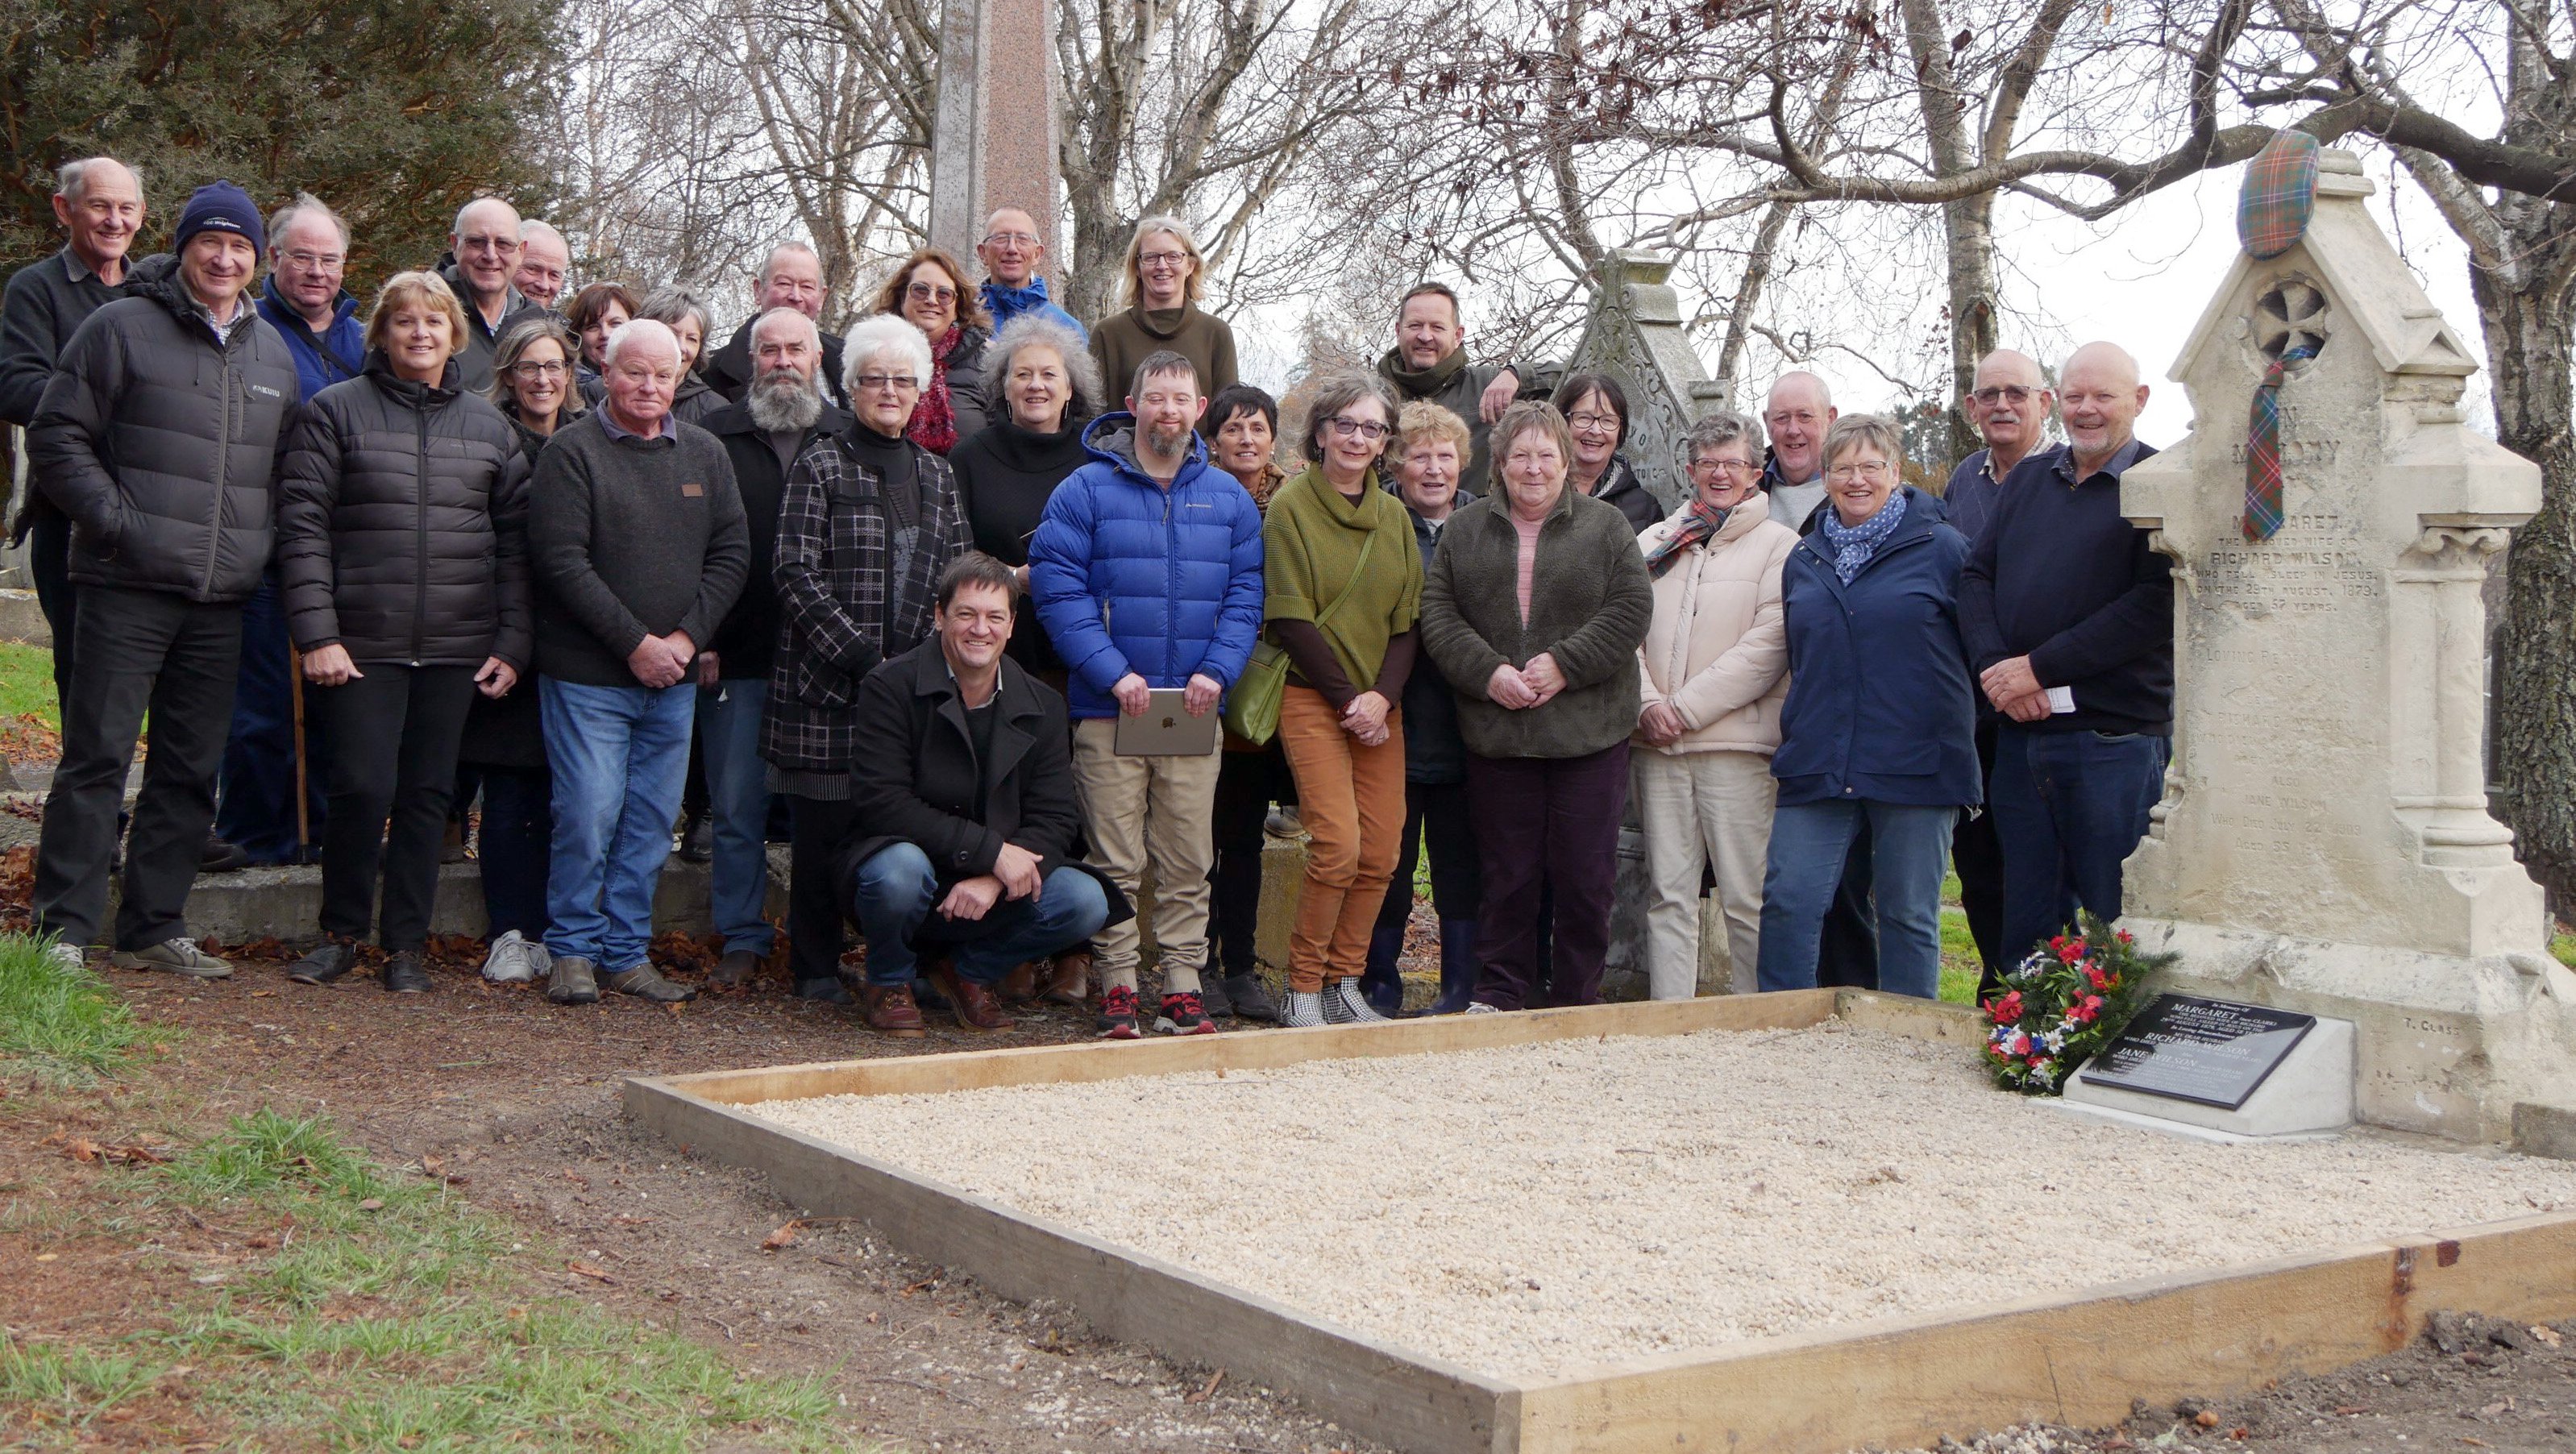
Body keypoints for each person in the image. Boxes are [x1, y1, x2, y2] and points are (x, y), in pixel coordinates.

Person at [24, 181, 299, 977]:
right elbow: (56, 432)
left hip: (220, 598)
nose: (223, 257)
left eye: (240, 246)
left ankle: (151, 925)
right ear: (183, 248)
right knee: (98, 757)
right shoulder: (121, 328)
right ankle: (64, 932)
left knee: (188, 765)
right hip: (124, 584)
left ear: (258, 258)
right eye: (209, 242)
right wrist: (116, 522)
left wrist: (259, 545)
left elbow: (283, 475)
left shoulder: (271, 353)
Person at [274, 272, 530, 992]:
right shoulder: (334, 413)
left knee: (428, 795)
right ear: (381, 333)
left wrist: (512, 643)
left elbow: (515, 548)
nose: (420, 334)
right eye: (405, 322)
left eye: (435, 322)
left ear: (455, 335)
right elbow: (302, 530)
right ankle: (341, 934)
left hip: (457, 645)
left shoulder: (489, 429)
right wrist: (317, 633)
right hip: (360, 642)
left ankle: (406, 946)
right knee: (360, 786)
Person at [1029, 350, 1263, 1039]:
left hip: (1192, 709)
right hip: (1111, 706)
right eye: (1155, 398)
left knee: (1189, 856)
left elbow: (1247, 595)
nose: (1168, 410)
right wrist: (1109, 670)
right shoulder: (1084, 490)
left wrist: (1217, 671)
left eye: (1181, 399)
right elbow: (1056, 587)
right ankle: (1120, 984)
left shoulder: (1227, 500)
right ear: (1132, 406)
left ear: (1199, 410)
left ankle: (1184, 986)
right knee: (1115, 857)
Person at [527, 318, 747, 1005]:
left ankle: (625, 952)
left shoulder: (706, 454)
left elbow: (732, 553)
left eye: (663, 373)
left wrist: (683, 640)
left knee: (651, 821)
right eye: (634, 372)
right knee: (590, 813)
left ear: (680, 376)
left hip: (674, 680)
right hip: (589, 676)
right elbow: (562, 562)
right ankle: (571, 950)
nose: (650, 385)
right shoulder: (571, 453)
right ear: (607, 372)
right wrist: (636, 644)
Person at [765, 315, 972, 1027]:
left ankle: (898, 968)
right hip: (828, 688)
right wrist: (863, 657)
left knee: (902, 835)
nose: (889, 390)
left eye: (903, 380)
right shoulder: (820, 464)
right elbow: (794, 571)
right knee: (822, 833)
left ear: (922, 391)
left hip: (913, 694)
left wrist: (924, 668)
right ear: (850, 387)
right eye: (874, 379)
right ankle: (817, 968)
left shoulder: (939, 475)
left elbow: (960, 578)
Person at [1419, 401, 1652, 1012]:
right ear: (1499, 463)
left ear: (1566, 460)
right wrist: (1489, 671)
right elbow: (1439, 615)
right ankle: (1501, 990)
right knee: (1507, 874)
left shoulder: (1606, 527)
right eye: (1520, 454)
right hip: (1501, 735)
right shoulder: (1465, 533)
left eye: (1546, 454)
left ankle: (1577, 994)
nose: (1533, 467)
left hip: (1588, 735)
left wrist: (1563, 665)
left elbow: (1629, 611)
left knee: (1584, 877)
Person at [842, 554, 1124, 1032]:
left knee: (1085, 899)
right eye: (966, 614)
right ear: (939, 616)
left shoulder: (1043, 705)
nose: (981, 629)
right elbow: (883, 802)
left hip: (992, 893)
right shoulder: (890, 686)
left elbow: (1056, 820)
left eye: (995, 617)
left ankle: (968, 973)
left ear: (1012, 626)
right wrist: (992, 852)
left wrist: (995, 878)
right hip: (913, 869)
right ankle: (888, 980)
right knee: (897, 872)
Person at [1958, 342, 2171, 974]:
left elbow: (2155, 604)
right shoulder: (2031, 479)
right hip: (2024, 738)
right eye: (2075, 396)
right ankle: (2028, 1050)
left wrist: (2039, 668)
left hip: (2110, 741)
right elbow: (1975, 577)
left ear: (2138, 400)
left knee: (2115, 917)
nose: (2086, 410)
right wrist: (2000, 671)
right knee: (2025, 917)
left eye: (2103, 396)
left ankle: (2115, 1055)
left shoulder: (2160, 485)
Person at [1756, 414, 1979, 999]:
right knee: (1789, 901)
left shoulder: (1942, 548)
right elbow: (1801, 655)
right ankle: (1780, 1034)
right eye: (1843, 468)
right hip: (1819, 760)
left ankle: (1908, 1047)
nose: (1857, 480)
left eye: (1870, 467)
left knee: (1908, 914)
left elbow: (1979, 652)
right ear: (1825, 476)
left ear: (1896, 473)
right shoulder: (1804, 557)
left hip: (1916, 762)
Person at [696, 306, 851, 989]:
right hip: (740, 651)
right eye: (770, 350)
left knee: (832, 811)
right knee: (736, 808)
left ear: (818, 359)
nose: (784, 360)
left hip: (829, 663)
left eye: (797, 349)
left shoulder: (847, 437)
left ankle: (830, 941)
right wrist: (700, 636)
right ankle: (742, 934)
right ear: (750, 359)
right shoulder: (712, 436)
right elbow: (688, 548)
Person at [1264, 373, 1423, 1026]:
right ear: (1322, 431)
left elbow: (1408, 620)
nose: (1359, 438)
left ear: (1385, 442)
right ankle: (1302, 986)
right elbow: (1291, 616)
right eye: (1347, 425)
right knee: (1337, 846)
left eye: (1373, 428)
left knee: (1384, 852)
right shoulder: (1291, 508)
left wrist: (1381, 699)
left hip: (1381, 709)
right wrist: (1349, 699)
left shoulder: (1393, 516)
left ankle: (1344, 981)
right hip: (1313, 699)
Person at [1631, 410, 1797, 999]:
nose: (1720, 474)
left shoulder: (1780, 546)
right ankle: (1669, 1020)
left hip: (1734, 747)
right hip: (1658, 748)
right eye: (1708, 463)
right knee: (1667, 894)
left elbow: (1771, 641)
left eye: (1733, 463)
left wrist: (1686, 708)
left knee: (1745, 895)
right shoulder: (1653, 543)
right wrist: (1650, 705)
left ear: (1755, 473)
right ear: (1689, 470)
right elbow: (1621, 630)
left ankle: (1749, 1014)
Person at [222, 192, 364, 868]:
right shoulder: (252, 332)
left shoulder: (364, 341)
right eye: (301, 257)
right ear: (273, 258)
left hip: (350, 551)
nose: (316, 271)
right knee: (264, 704)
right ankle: (257, 834)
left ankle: (327, 835)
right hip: (268, 542)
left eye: (329, 259)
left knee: (338, 705)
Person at [465, 314, 588, 984]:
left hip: (574, 643)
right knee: (509, 790)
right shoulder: (488, 437)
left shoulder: (589, 438)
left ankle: (552, 928)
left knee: (563, 794)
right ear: (507, 374)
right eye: (528, 367)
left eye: (554, 367)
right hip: (507, 634)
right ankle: (508, 929)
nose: (543, 380)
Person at [3, 156, 143, 722]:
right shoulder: (36, 290)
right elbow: (16, 386)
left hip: (153, 516)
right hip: (69, 520)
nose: (114, 221)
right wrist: (125, 415)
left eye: (126, 208)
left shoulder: (156, 293)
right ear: (65, 209)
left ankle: (158, 809)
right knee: (84, 679)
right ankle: (92, 811)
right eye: (100, 206)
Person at [1942, 347, 2056, 995]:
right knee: (1980, 863)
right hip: (1977, 712)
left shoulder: (2075, 474)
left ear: (2045, 402)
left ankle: (2053, 1001)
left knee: (2042, 868)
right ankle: (1998, 988)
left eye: (2018, 393)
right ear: (1971, 408)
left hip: (2054, 708)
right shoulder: (1965, 481)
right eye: (1989, 395)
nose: (2002, 405)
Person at [1363, 401, 1482, 1016]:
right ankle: (1378, 983)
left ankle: (1461, 985)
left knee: (1463, 867)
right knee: (1390, 862)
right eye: (1418, 457)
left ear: (1463, 463)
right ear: (1397, 464)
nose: (1433, 470)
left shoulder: (1488, 525)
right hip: (1396, 724)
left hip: (1470, 731)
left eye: (1445, 457)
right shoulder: (1381, 524)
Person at [1760, 367, 1877, 990]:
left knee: (1853, 886)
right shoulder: (1747, 488)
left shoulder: (1862, 503)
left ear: (1830, 421)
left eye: (1805, 416)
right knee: (1787, 887)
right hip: (1769, 721)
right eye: (1781, 418)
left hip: (1845, 720)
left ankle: (1854, 995)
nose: (1793, 430)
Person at [1195, 382, 1290, 1023]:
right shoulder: (1194, 492)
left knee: (1245, 837)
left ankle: (1241, 966)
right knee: (1195, 836)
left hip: (1263, 693)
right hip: (1201, 681)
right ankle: (1194, 963)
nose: (1246, 440)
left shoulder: (1291, 503)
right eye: (1233, 429)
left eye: (1257, 428)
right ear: (1212, 439)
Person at [1375, 282, 1554, 489]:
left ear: (1458, 335)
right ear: (1398, 330)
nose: (1425, 336)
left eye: (1437, 327)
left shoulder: (1487, 385)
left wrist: (1517, 374)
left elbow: (1577, 378)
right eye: (1415, 325)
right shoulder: (1374, 399)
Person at [1087, 217, 1237, 405]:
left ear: (1190, 265)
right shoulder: (1107, 333)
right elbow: (1091, 415)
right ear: (1137, 268)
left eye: (1173, 256)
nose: (1162, 265)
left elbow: (1228, 417)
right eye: (1151, 257)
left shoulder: (1216, 333)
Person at [869, 247, 990, 455]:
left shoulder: (986, 361)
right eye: (920, 290)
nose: (932, 300)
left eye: (944, 294)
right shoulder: (871, 354)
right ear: (902, 298)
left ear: (957, 306)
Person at [702, 242, 850, 410]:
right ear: (758, 290)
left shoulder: (850, 361)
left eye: (807, 286)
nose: (795, 296)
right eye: (784, 284)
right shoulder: (709, 372)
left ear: (822, 297)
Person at [440, 197, 541, 393]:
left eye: (503, 244)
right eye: (477, 242)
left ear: (521, 251)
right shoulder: (421, 314)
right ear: (455, 244)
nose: (490, 255)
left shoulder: (537, 325)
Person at [1552, 372, 1662, 533]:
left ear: (1620, 430)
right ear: (1563, 422)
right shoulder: (1539, 487)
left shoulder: (1645, 509)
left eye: (1608, 420)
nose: (1595, 430)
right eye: (1584, 418)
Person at [974, 206, 1086, 339]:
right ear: (983, 253)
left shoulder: (1067, 329)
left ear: (1037, 254)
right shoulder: (962, 320)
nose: (1012, 249)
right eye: (1001, 238)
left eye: (1023, 239)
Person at [638, 287, 724, 426]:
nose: (681, 347)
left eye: (692, 339)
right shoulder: (606, 390)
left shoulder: (716, 410)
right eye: (672, 333)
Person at [563, 282, 636, 401]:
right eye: (592, 327)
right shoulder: (562, 392)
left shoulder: (656, 383)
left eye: (615, 324)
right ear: (576, 334)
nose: (605, 334)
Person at [513, 220, 572, 311]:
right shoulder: (485, 323)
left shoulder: (560, 325)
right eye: (533, 269)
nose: (544, 285)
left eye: (554, 275)